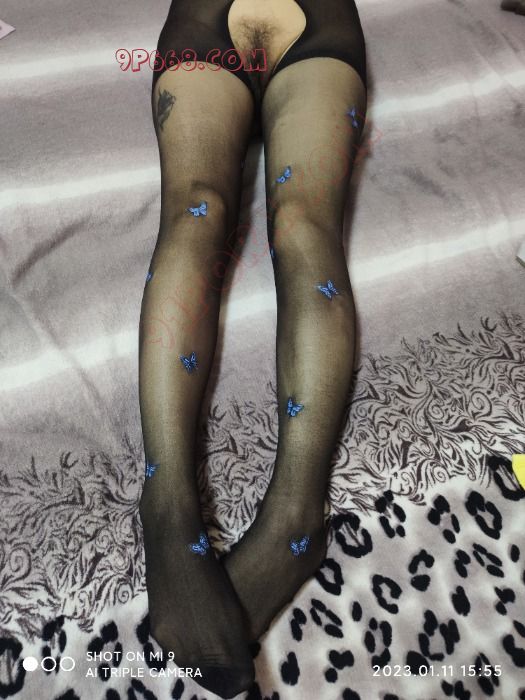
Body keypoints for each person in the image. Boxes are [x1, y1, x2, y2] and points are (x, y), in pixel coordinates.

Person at [137, 0, 367, 696]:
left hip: (319, 25)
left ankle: (297, 513)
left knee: (303, 224)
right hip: (206, 20)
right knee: (197, 207)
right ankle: (166, 504)